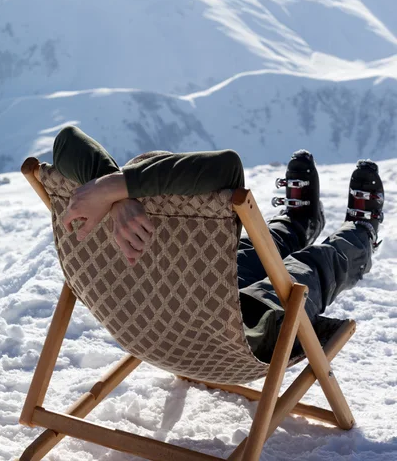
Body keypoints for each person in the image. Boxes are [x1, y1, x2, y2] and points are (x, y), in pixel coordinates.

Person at [53, 126, 384, 362]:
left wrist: (112, 196)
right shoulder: (114, 195)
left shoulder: (88, 209)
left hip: (157, 324)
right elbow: (225, 166)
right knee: (311, 264)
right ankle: (361, 236)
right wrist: (120, 188)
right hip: (236, 336)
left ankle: (297, 224)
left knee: (255, 249)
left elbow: (66, 141)